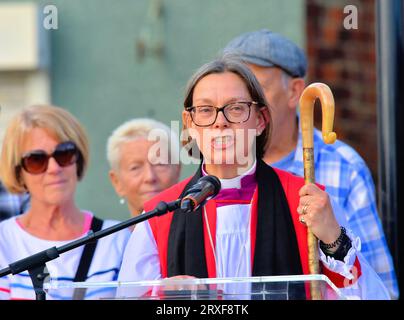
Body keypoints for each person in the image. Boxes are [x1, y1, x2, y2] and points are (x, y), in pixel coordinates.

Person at [117, 56, 389, 299]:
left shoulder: (307, 201)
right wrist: (160, 296)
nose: (219, 122)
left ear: (260, 120)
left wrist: (332, 238)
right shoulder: (159, 216)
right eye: (205, 110)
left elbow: (371, 296)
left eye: (235, 108)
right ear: (189, 124)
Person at [223, 29, 398, 299]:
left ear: (295, 92)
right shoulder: (222, 166)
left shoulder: (342, 168)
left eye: (257, 89)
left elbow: (378, 284)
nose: (244, 104)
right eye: (236, 92)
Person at [0, 105, 131, 300]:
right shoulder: (3, 242)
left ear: (78, 160)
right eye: (36, 159)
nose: (53, 168)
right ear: (19, 172)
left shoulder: (117, 239)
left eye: (64, 153)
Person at [107, 118, 181, 219]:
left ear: (177, 170)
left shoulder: (205, 231)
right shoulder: (110, 235)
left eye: (160, 164)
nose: (150, 177)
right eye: (135, 168)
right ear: (117, 182)